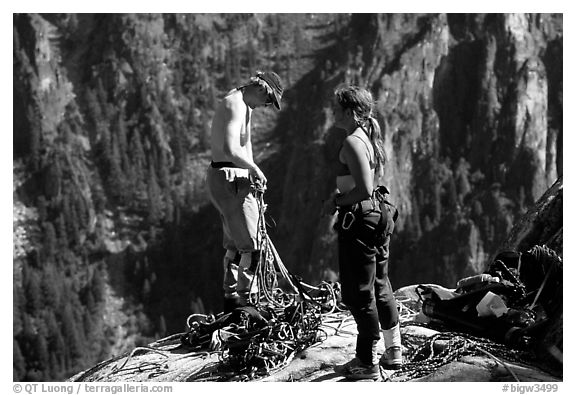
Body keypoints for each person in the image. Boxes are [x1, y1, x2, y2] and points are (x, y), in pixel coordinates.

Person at [323, 85, 402, 380]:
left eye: (336, 107)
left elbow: (363, 189)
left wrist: (336, 202)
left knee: (359, 292)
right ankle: (393, 350)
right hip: (377, 217)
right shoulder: (367, 138)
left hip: (360, 221)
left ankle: (367, 362)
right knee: (380, 284)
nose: (332, 112)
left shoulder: (353, 142)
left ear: (350, 112)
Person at [206, 71, 283, 313]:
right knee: (253, 246)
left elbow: (244, 143)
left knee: (235, 245)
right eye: (269, 100)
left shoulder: (242, 103)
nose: (266, 106)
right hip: (230, 178)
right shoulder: (235, 105)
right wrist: (254, 168)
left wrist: (251, 172)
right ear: (262, 89)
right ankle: (248, 304)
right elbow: (231, 149)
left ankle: (231, 302)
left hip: (229, 178)